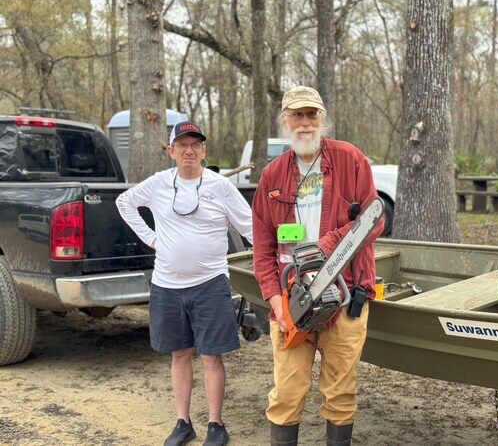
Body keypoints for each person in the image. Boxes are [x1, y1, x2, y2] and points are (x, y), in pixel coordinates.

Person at [252, 86, 384, 446]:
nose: (305, 122)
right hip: (291, 296)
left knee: (340, 393)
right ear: (285, 121)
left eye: (312, 114)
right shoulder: (273, 175)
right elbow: (263, 246)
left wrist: (324, 247)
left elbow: (373, 220)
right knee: (286, 394)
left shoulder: (350, 159)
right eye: (298, 115)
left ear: (322, 119)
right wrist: (274, 299)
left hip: (345, 295)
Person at [116, 121, 252, 446]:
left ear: (203, 151)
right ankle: (183, 422)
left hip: (210, 284)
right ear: (171, 151)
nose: (189, 150)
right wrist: (151, 239)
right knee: (179, 354)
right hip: (167, 286)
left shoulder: (220, 186)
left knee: (210, 357)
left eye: (195, 144)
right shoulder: (158, 183)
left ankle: (216, 425)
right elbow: (124, 203)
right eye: (182, 145)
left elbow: (250, 227)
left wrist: (277, 256)